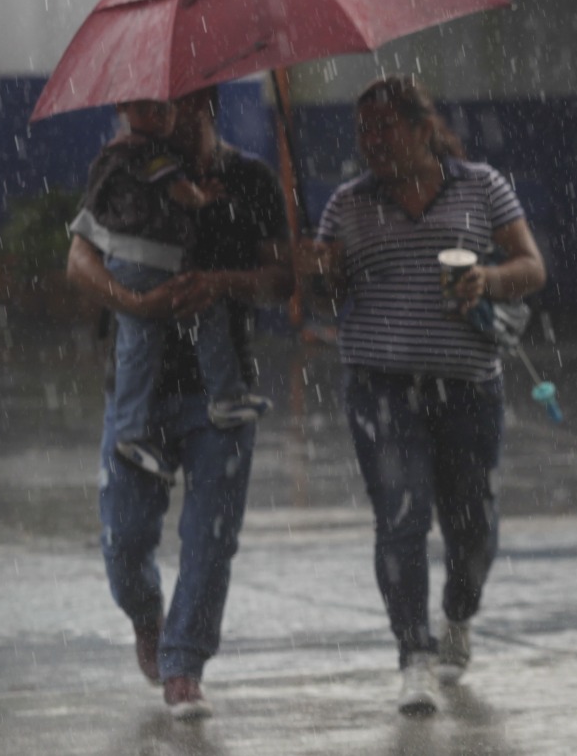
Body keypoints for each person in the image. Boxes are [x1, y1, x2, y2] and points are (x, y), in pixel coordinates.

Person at [297, 74, 547, 715]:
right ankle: (413, 655)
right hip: (379, 387)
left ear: (420, 128)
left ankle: (457, 615)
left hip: (469, 386)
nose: (371, 142)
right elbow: (322, 296)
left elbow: (532, 268)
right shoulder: (346, 204)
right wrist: (319, 271)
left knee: (473, 531)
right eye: (363, 132)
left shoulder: (481, 186)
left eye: (384, 128)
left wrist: (488, 278)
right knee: (401, 520)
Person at [66, 86, 292, 720]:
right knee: (124, 542)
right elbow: (79, 257)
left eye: (184, 110)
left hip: (222, 392)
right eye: (162, 110)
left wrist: (222, 284)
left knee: (210, 538)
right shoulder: (130, 166)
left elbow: (282, 281)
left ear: (207, 109)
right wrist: (134, 303)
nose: (170, 124)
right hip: (137, 391)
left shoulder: (250, 179)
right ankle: (147, 615)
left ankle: (185, 665)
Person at [70, 97, 272, 480]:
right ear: (123, 109)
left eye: (167, 109)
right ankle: (224, 396)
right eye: (152, 109)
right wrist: (202, 197)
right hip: (156, 260)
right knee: (201, 314)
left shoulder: (109, 157)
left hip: (127, 260)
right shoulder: (152, 153)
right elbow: (179, 192)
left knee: (137, 341)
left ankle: (132, 430)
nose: (163, 117)